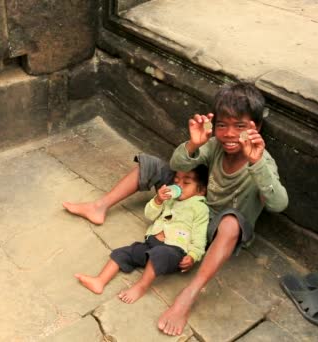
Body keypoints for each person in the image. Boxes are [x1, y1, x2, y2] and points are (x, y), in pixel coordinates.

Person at [63, 82, 288, 336]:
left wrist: (257, 163)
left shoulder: (262, 161)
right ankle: (99, 206)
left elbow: (278, 204)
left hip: (217, 227)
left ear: (255, 128)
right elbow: (177, 163)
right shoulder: (215, 145)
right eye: (222, 125)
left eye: (240, 126)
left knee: (231, 222)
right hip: (194, 200)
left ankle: (188, 295)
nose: (229, 134)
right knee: (155, 166)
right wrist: (193, 145)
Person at [75, 165, 210, 305]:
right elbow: (149, 215)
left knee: (159, 253)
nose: (179, 186)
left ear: (201, 191)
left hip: (174, 251)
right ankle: (100, 280)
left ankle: (141, 286)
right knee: (124, 252)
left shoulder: (200, 208)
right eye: (176, 181)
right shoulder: (168, 199)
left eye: (186, 183)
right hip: (150, 244)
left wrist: (193, 256)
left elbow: (200, 236)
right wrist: (158, 201)